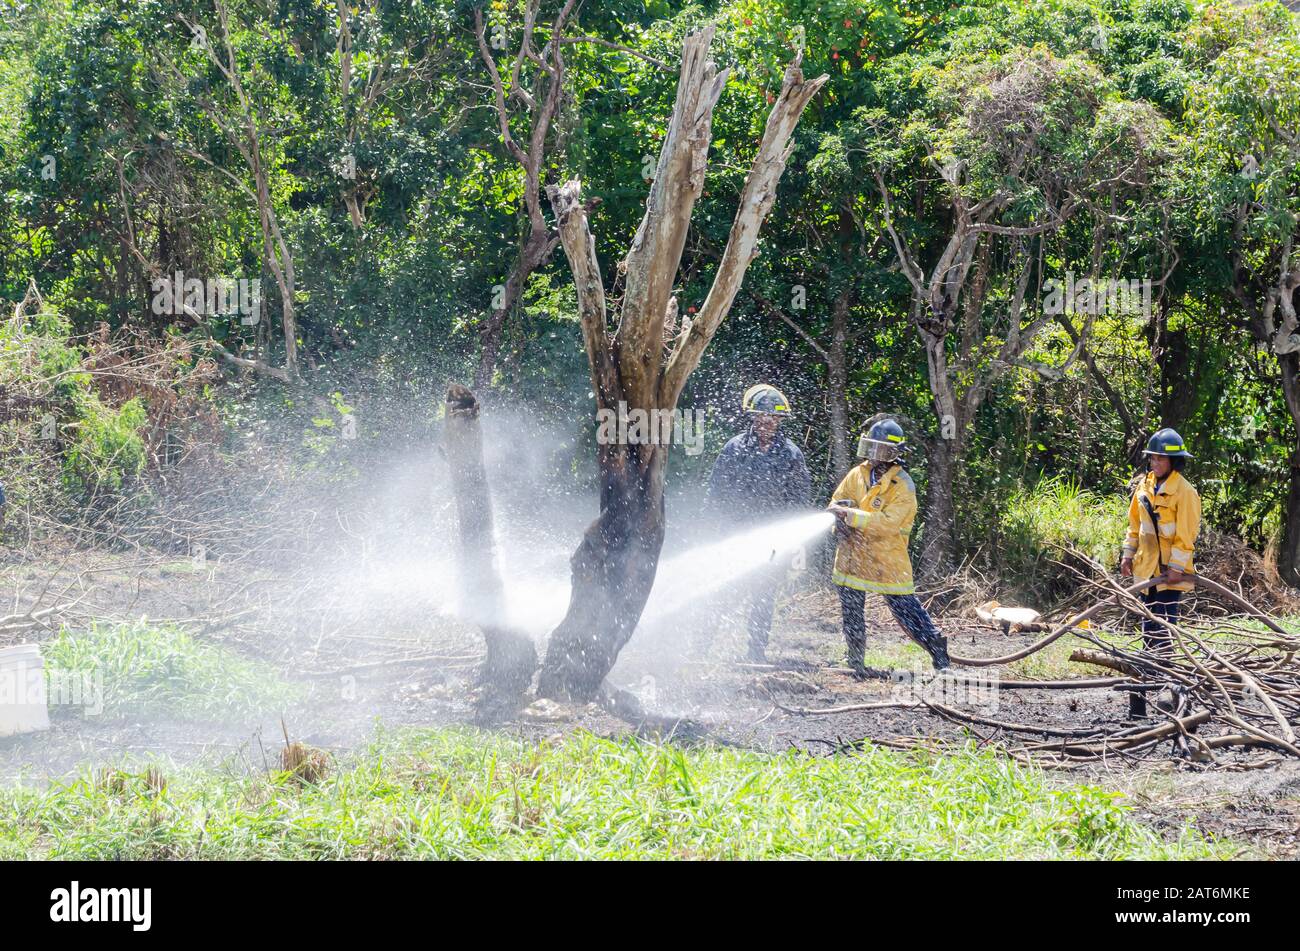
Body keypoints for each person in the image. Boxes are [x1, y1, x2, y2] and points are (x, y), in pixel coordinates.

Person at [827, 418, 950, 678]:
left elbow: (888, 523)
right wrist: (837, 521)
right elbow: (837, 501)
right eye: (872, 448)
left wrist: (850, 516)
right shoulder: (857, 474)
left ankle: (940, 657)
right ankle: (856, 661)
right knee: (852, 614)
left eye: (881, 450)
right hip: (852, 557)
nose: (874, 455)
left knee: (906, 610)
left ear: (895, 453)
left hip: (887, 561)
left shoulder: (903, 486)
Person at [706, 383, 812, 662]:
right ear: (753, 418)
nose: (767, 423)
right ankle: (701, 647)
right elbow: (716, 493)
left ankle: (755, 652)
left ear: (779, 420)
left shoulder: (791, 454)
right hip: (735, 536)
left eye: (773, 419)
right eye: (762, 418)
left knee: (763, 597)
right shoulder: (734, 448)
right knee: (722, 592)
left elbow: (799, 500)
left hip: (772, 542)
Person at [1120, 427, 1201, 718]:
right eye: (1151, 458)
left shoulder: (1185, 493)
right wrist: (1128, 555)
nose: (1154, 463)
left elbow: (1185, 536)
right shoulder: (1144, 486)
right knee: (1148, 630)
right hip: (1146, 572)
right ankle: (1143, 691)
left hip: (1170, 575)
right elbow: (1135, 527)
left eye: (1158, 459)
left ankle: (1169, 688)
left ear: (1174, 462)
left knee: (1164, 627)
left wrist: (1176, 568)